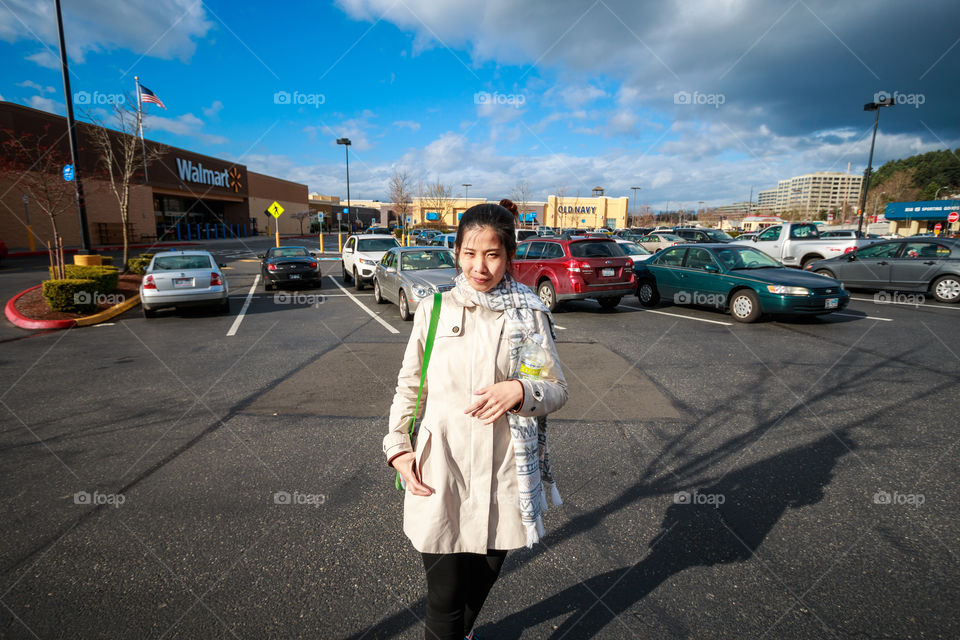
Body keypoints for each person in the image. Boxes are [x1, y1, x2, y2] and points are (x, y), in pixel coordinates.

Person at [383, 203, 568, 640]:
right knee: (444, 598)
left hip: (504, 472)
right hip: (440, 467)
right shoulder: (435, 309)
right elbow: (410, 386)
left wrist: (522, 391)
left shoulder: (529, 312)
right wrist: (397, 448)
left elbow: (557, 388)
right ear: (456, 252)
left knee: (480, 584)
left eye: (491, 255)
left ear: (508, 256)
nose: (479, 267)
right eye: (469, 253)